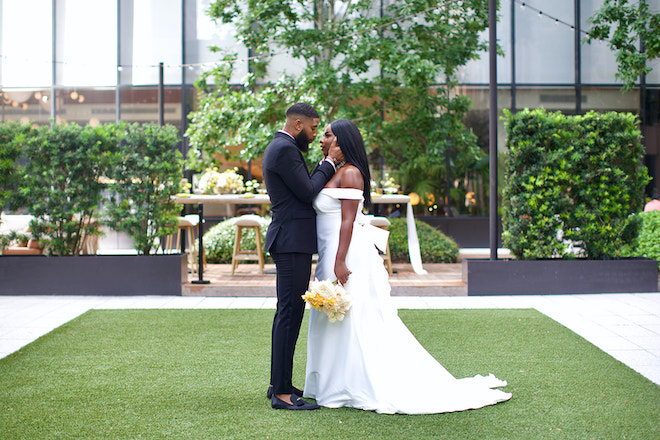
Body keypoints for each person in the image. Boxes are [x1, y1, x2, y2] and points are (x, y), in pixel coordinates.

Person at [304, 119, 512, 414]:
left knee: (350, 316)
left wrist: (339, 262)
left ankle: (349, 384)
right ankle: (331, 382)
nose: (322, 140)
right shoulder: (335, 170)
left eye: (327, 135)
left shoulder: (350, 173)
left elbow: (348, 221)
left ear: (343, 142)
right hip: (330, 252)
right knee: (332, 316)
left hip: (345, 254)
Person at [262, 102, 342, 411]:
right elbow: (308, 191)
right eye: (312, 129)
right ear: (298, 125)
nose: (313, 135)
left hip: (292, 240)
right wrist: (330, 163)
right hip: (291, 241)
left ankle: (278, 383)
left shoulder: (283, 147)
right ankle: (282, 392)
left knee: (289, 312)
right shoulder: (284, 149)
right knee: (289, 313)